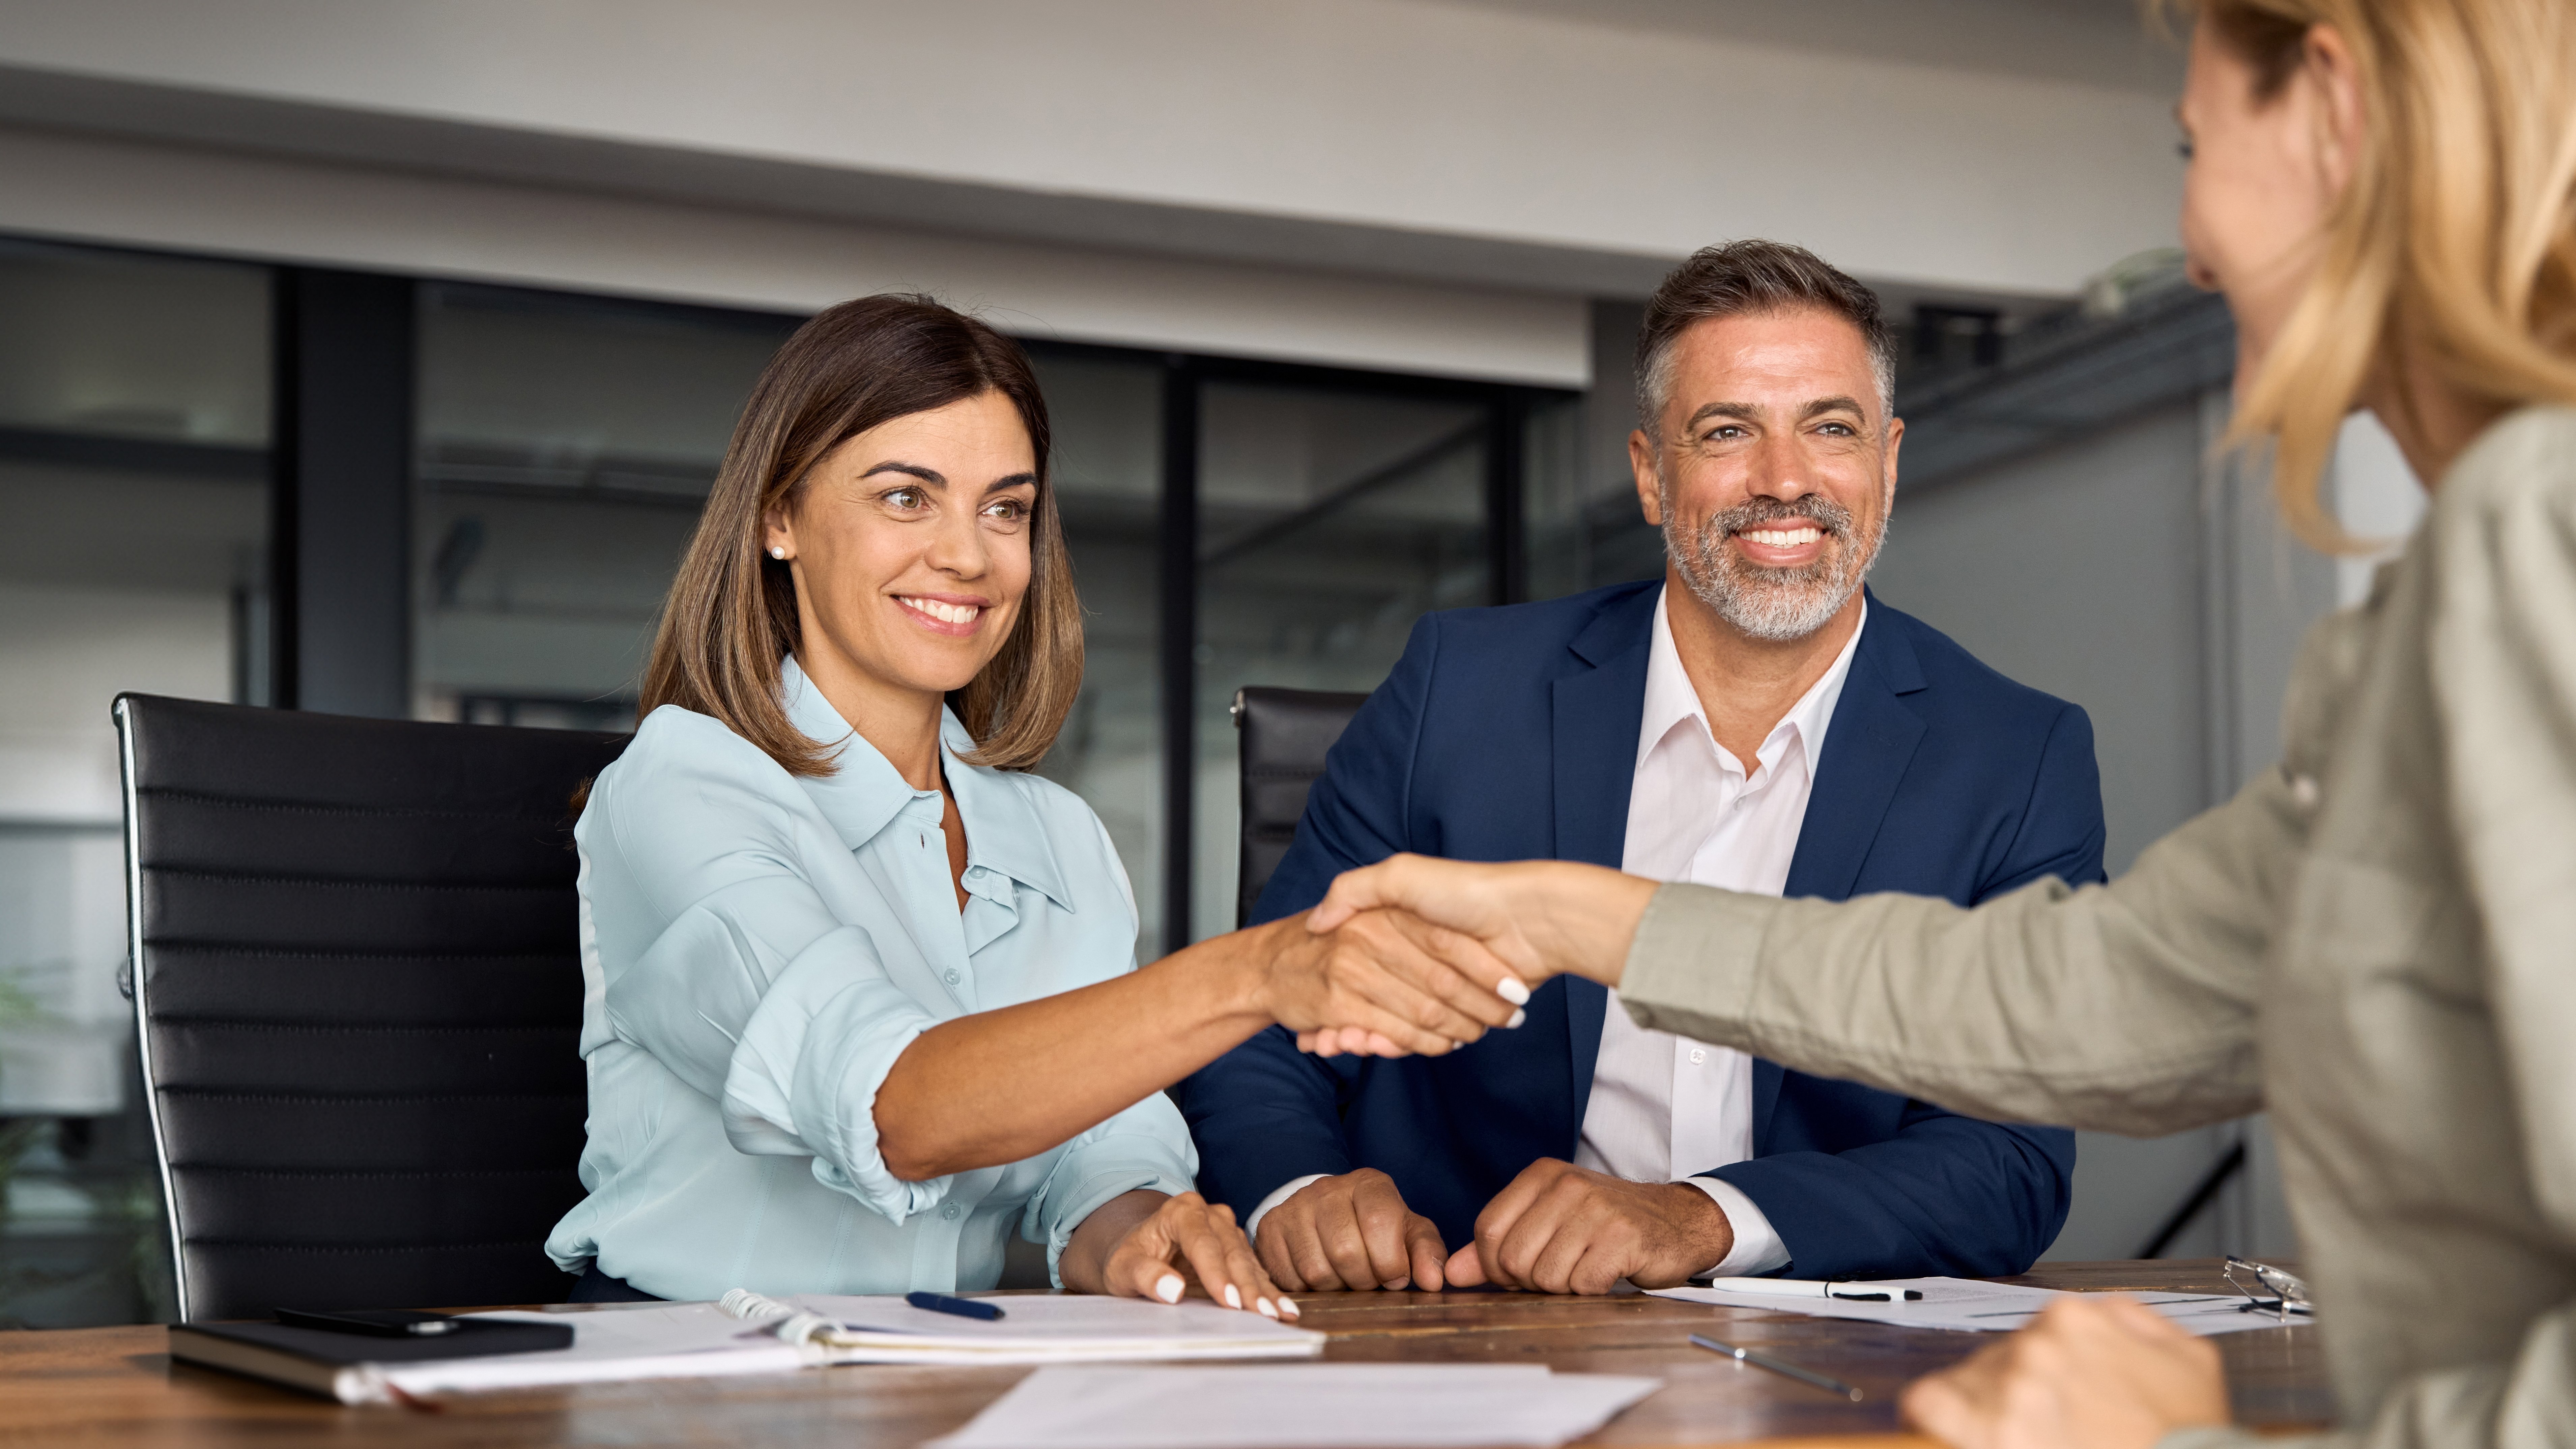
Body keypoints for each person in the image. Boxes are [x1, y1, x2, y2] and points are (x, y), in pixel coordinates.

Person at [1300, 0, 2576, 1443]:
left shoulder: (2539, 544)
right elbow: (2106, 999)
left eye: (2189, 147)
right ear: (1649, 471)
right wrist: (1579, 919)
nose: (2191, 238)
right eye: (1728, 432)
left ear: (2334, 114)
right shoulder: (2456, 588)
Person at [544, 295, 1518, 1313]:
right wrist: (1260, 974)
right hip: (697, 1376)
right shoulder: (681, 785)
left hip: (945, 1370)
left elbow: (1101, 1153)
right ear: (778, 518)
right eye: (906, 497)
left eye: (1005, 509)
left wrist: (1141, 1229)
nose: (969, 556)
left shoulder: (1059, 837)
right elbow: (894, 1106)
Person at [1181, 241, 2096, 1297]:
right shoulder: (1458, 689)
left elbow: (2011, 1156)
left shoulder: (2018, 757)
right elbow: (1259, 1012)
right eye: (1726, 432)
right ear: (1653, 476)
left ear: (1888, 462)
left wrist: (1705, 1219)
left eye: (1830, 429)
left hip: (1817, 1363)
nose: (1786, 481)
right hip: (1463, 1333)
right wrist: (1302, 1188)